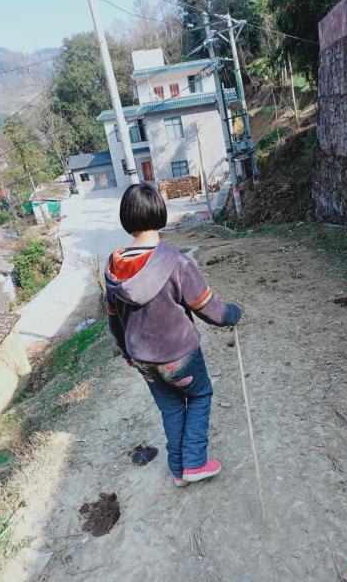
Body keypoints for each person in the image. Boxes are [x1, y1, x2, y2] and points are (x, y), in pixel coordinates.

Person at [105, 183, 241, 487]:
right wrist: (234, 313)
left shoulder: (112, 269)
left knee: (171, 407)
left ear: (126, 218)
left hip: (142, 360)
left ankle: (178, 469)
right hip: (179, 357)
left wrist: (126, 352)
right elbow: (210, 309)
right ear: (160, 212)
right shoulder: (175, 262)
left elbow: (114, 320)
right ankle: (194, 462)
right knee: (200, 395)